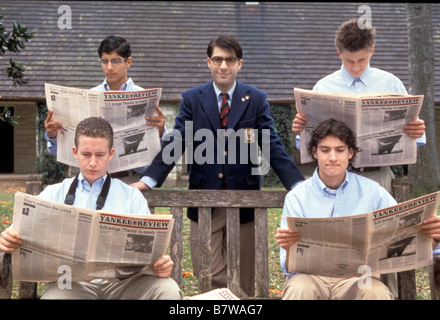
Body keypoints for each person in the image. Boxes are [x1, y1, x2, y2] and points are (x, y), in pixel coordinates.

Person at [132, 35, 305, 296]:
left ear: (239, 64)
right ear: (209, 62)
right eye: (218, 59)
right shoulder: (192, 99)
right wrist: (149, 180)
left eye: (230, 60)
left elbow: (271, 145)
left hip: (245, 200)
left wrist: (298, 184)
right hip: (204, 201)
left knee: (246, 274)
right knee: (208, 272)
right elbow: (177, 141)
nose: (223, 66)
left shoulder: (255, 99)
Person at [0, 117, 182, 300]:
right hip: (70, 282)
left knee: (167, 290)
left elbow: (151, 252)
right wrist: (8, 237)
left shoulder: (131, 196)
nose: (93, 162)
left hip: (123, 283)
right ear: (75, 152)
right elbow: (18, 229)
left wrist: (160, 264)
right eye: (86, 154)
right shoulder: (54, 193)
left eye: (100, 155)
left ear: (111, 154)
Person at [275, 118, 440, 300]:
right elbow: (288, 265)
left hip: (359, 277)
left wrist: (433, 237)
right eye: (325, 150)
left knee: (375, 292)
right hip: (311, 277)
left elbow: (405, 240)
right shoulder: (297, 196)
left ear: (350, 153)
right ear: (314, 152)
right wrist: (289, 248)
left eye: (340, 150)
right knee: (299, 287)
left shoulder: (373, 191)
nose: (332, 157)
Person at [292, 18, 426, 193]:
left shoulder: (391, 84)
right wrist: (300, 130)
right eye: (349, 61)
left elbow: (416, 138)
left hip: (378, 177)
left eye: (361, 60)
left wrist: (416, 131)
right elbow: (306, 144)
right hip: (335, 179)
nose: (356, 67)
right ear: (339, 53)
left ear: (372, 50)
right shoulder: (323, 87)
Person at [44, 35, 166, 182]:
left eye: (115, 61)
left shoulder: (145, 97)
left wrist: (160, 131)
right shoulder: (89, 96)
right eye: (104, 61)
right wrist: (52, 135)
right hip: (95, 181)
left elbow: (160, 156)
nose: (109, 67)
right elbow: (58, 152)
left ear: (128, 62)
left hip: (132, 181)